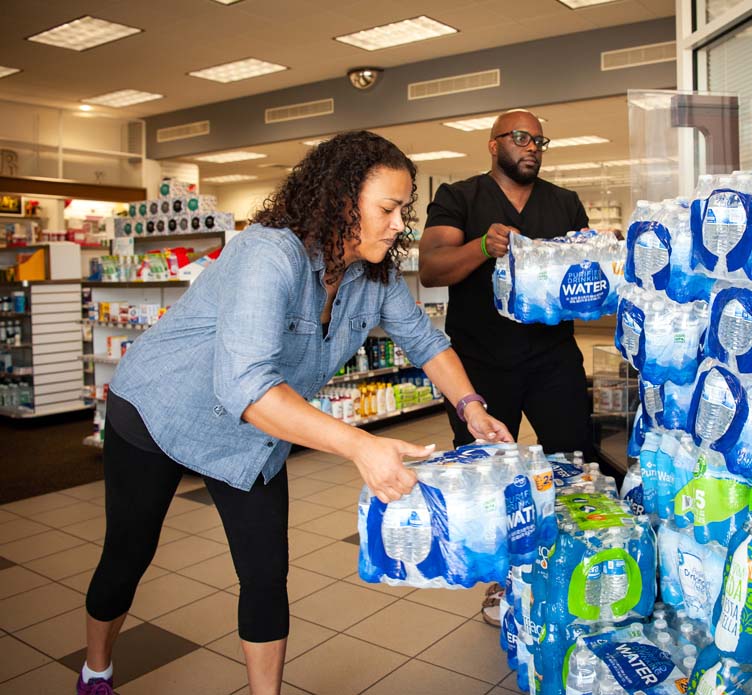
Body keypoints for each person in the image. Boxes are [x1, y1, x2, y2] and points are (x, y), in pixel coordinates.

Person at [77, 131, 512, 695]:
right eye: (386, 208)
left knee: (265, 574)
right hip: (162, 411)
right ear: (338, 200)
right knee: (128, 557)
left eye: (403, 209)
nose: (397, 223)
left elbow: (426, 342)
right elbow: (249, 385)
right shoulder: (267, 254)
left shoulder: (373, 273)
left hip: (251, 435)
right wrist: (361, 445)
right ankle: (96, 669)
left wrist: (471, 407)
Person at [419, 109, 595, 624]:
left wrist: (600, 258)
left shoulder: (563, 202)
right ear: (493, 145)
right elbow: (431, 268)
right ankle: (502, 581)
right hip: (481, 363)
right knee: (490, 474)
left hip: (553, 358)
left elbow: (583, 280)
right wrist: (480, 246)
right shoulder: (460, 196)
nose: (532, 147)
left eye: (540, 139)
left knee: (574, 462)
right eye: (520, 137)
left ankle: (575, 565)